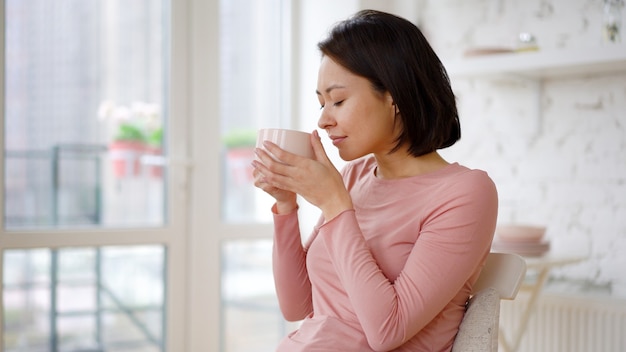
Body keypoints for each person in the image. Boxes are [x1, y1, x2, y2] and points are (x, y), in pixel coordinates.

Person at [252, 9, 498, 352]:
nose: (323, 120)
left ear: (394, 96)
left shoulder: (465, 193)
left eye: (337, 100)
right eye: (321, 103)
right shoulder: (353, 178)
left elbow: (388, 331)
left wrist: (336, 205)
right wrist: (286, 204)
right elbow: (298, 306)